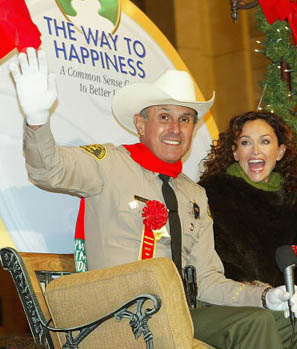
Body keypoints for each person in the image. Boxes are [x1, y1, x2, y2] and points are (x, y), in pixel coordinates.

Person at [9, 47, 297, 348]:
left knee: (288, 320)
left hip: (185, 312)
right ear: (140, 124)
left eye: (185, 119)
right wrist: (37, 120)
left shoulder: (194, 194)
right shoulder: (109, 164)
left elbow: (209, 281)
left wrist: (265, 296)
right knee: (255, 323)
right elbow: (48, 170)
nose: (176, 128)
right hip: (128, 315)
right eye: (164, 116)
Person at [199, 111, 297, 287]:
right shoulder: (212, 196)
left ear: (280, 151)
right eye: (245, 143)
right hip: (244, 305)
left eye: (265, 142)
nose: (256, 151)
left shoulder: (292, 199)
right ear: (235, 152)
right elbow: (212, 265)